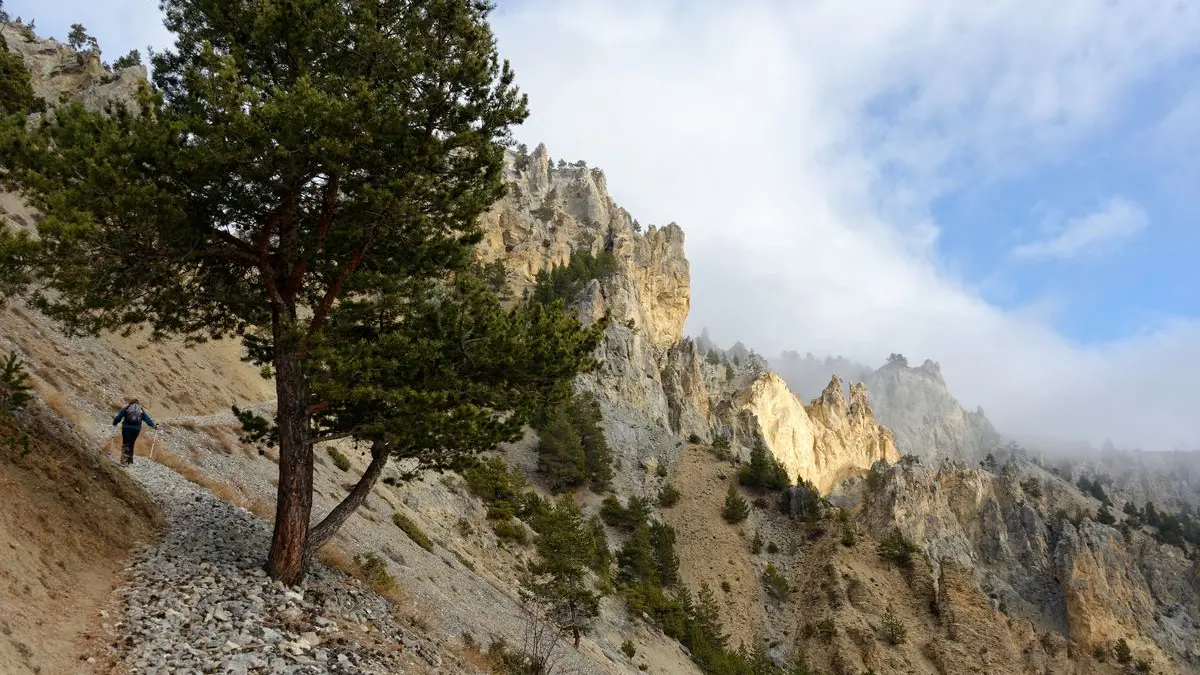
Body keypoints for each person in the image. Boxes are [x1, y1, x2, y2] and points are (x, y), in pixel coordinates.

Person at [112, 398, 157, 466]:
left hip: (126, 428)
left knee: (126, 443)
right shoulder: (140, 410)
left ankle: (124, 461)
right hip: (136, 429)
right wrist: (153, 426)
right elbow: (147, 419)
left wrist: (115, 423)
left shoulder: (127, 408)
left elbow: (119, 417)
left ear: (131, 402)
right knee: (132, 443)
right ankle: (130, 460)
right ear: (138, 403)